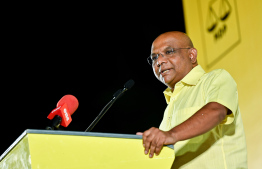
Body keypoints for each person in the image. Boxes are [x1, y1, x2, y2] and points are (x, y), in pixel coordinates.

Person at [139, 31, 247, 168]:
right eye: (154, 58)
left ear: (192, 55)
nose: (159, 61)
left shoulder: (215, 79)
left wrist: (171, 135)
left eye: (169, 51)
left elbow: (216, 111)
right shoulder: (168, 111)